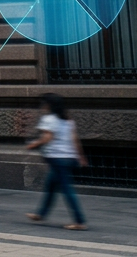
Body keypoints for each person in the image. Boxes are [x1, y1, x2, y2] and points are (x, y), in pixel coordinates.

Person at [26, 93, 87, 230]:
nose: (42, 106)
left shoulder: (49, 119)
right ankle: (40, 214)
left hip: (57, 159)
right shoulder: (68, 120)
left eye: (43, 103)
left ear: (48, 105)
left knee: (67, 190)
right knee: (50, 186)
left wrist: (34, 144)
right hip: (69, 158)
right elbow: (75, 140)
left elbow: (47, 137)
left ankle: (80, 221)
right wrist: (81, 156)